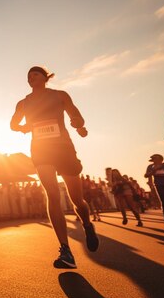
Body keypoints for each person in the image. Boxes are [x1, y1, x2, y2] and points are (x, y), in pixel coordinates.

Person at [10, 66, 99, 269]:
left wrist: (78, 124)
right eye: (28, 75)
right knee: (52, 193)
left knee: (77, 200)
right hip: (41, 150)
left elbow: (76, 115)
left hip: (64, 148)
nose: (31, 77)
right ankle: (65, 250)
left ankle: (87, 224)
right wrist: (23, 127)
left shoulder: (60, 95)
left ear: (45, 77)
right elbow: (13, 124)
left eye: (35, 74)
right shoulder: (23, 102)